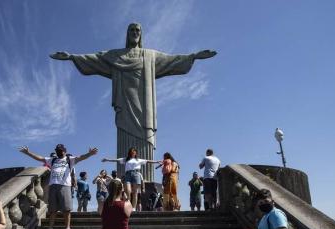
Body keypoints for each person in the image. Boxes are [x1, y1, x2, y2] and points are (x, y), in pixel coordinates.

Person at [50, 23, 216, 182]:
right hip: (124, 104)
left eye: (138, 30)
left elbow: (172, 60)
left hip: (144, 108)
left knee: (145, 137)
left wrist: (193, 56)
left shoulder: (150, 55)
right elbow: (96, 58)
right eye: (132, 30)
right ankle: (125, 180)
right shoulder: (116, 56)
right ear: (127, 34)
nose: (135, 33)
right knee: (124, 135)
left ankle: (145, 180)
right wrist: (72, 57)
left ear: (141, 34)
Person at [19, 143, 98, 229]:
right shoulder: (53, 160)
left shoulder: (70, 159)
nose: (59, 152)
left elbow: (81, 157)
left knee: (67, 209)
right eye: (57, 151)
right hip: (53, 186)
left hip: (65, 186)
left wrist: (90, 154)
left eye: (61, 150)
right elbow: (40, 158)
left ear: (65, 151)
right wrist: (28, 153)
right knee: (52, 209)